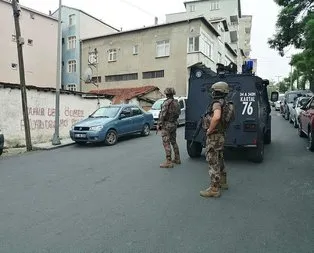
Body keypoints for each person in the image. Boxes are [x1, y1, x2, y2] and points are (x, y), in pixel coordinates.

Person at [200, 81, 231, 198]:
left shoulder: (217, 103)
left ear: (217, 91)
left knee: (213, 161)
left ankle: (214, 188)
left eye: (213, 90)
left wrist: (209, 130)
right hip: (221, 135)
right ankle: (223, 182)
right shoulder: (227, 103)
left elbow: (217, 117)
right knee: (219, 158)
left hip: (214, 136)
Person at [157, 88, 181, 168]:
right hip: (174, 124)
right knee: (173, 141)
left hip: (167, 125)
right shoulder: (176, 102)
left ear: (166, 94)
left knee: (166, 142)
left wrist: (159, 124)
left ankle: (168, 161)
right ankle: (177, 158)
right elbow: (179, 113)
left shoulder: (166, 103)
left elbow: (162, 114)